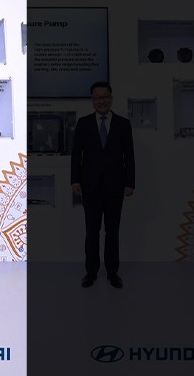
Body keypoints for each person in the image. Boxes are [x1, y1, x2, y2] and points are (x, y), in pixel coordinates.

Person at [71, 81, 135, 289]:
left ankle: (112, 272)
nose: (102, 101)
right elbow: (76, 155)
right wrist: (75, 180)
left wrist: (130, 183)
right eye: (97, 97)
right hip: (90, 187)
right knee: (91, 232)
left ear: (111, 98)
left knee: (112, 232)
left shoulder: (123, 124)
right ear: (92, 100)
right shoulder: (83, 123)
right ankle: (91, 272)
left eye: (105, 96)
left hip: (116, 186)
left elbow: (129, 156)